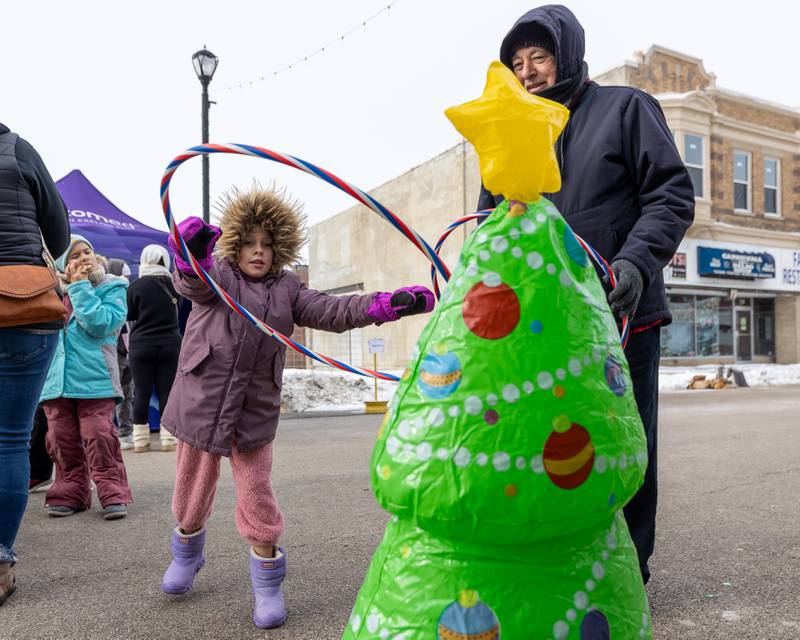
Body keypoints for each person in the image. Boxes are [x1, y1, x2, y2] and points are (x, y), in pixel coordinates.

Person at [478, 5, 695, 584]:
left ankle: (626, 573)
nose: (527, 72)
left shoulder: (624, 109)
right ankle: (560, 568)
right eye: (517, 63)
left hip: (622, 315)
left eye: (539, 57)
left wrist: (634, 263)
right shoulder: (511, 130)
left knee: (623, 444)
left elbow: (671, 195)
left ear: (566, 54)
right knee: (549, 446)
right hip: (542, 326)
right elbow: (490, 225)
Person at [159, 186, 435, 629]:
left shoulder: (288, 289)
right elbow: (192, 282)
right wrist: (190, 256)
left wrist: (385, 305)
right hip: (202, 404)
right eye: (249, 243)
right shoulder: (220, 276)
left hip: (253, 411)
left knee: (257, 496)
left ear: (280, 249)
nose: (258, 251)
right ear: (234, 245)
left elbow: (333, 310)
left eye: (267, 245)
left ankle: (267, 586)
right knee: (191, 491)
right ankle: (186, 553)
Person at [0, 122, 70, 605]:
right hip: (23, 306)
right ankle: (0, 563)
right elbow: (59, 230)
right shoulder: (15, 148)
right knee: (9, 441)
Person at [39, 235, 133, 521]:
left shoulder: (112, 286)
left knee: (98, 434)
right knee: (61, 438)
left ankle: (112, 491)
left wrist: (79, 287)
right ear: (62, 265)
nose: (83, 258)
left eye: (87, 251)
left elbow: (100, 324)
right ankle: (70, 491)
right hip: (57, 382)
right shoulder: (51, 292)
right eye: (74, 256)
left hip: (96, 380)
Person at [126, 244, 182, 453]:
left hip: (141, 345)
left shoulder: (136, 286)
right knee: (167, 391)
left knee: (141, 392)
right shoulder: (174, 285)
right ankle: (169, 439)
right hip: (170, 344)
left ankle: (141, 440)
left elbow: (129, 315)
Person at [107, 258, 134, 449]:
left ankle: (126, 431)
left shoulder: (130, 297)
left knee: (128, 392)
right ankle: (111, 433)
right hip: (113, 351)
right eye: (123, 275)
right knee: (112, 394)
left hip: (129, 351)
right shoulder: (108, 297)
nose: (126, 280)